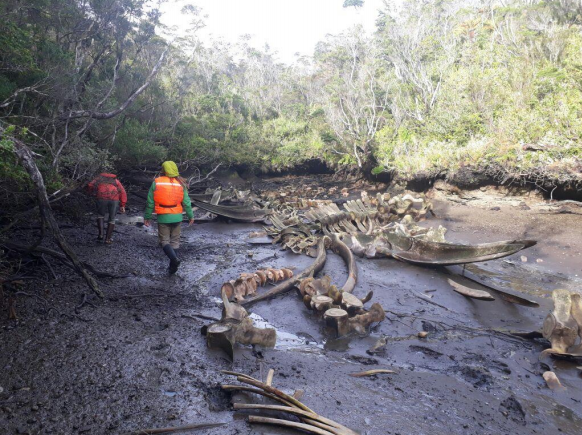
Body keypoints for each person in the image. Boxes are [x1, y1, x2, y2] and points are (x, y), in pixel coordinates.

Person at [144, 161, 194, 274]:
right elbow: (186, 202)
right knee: (175, 242)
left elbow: (150, 202)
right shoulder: (180, 183)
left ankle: (174, 260)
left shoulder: (157, 182)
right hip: (177, 217)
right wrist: (191, 216)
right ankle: (173, 268)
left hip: (163, 217)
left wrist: (147, 216)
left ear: (164, 170)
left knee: (164, 241)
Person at [87, 173, 127, 244]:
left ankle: (101, 235)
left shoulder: (99, 179)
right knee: (112, 218)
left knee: (100, 215)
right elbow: (122, 192)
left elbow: (90, 185)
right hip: (114, 199)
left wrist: (91, 192)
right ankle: (108, 239)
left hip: (101, 197)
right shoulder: (116, 181)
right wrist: (122, 205)